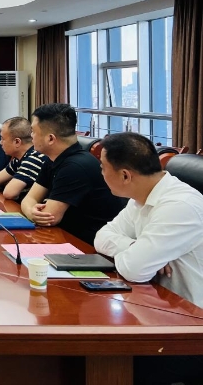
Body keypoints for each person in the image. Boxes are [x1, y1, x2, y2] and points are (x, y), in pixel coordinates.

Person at [93, 133, 203, 384]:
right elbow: (101, 237)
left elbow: (134, 270)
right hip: (163, 312)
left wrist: (137, 254)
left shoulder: (179, 205)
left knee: (108, 360)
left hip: (193, 330)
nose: (100, 173)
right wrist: (135, 246)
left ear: (125, 176)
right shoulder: (141, 197)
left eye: (103, 167)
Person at [21, 103, 125, 245]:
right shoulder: (52, 159)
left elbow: (49, 218)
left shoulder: (75, 167)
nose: (31, 136)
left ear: (50, 139)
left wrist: (31, 211)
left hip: (88, 246)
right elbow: (30, 198)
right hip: (65, 236)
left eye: (33, 131)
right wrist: (31, 211)